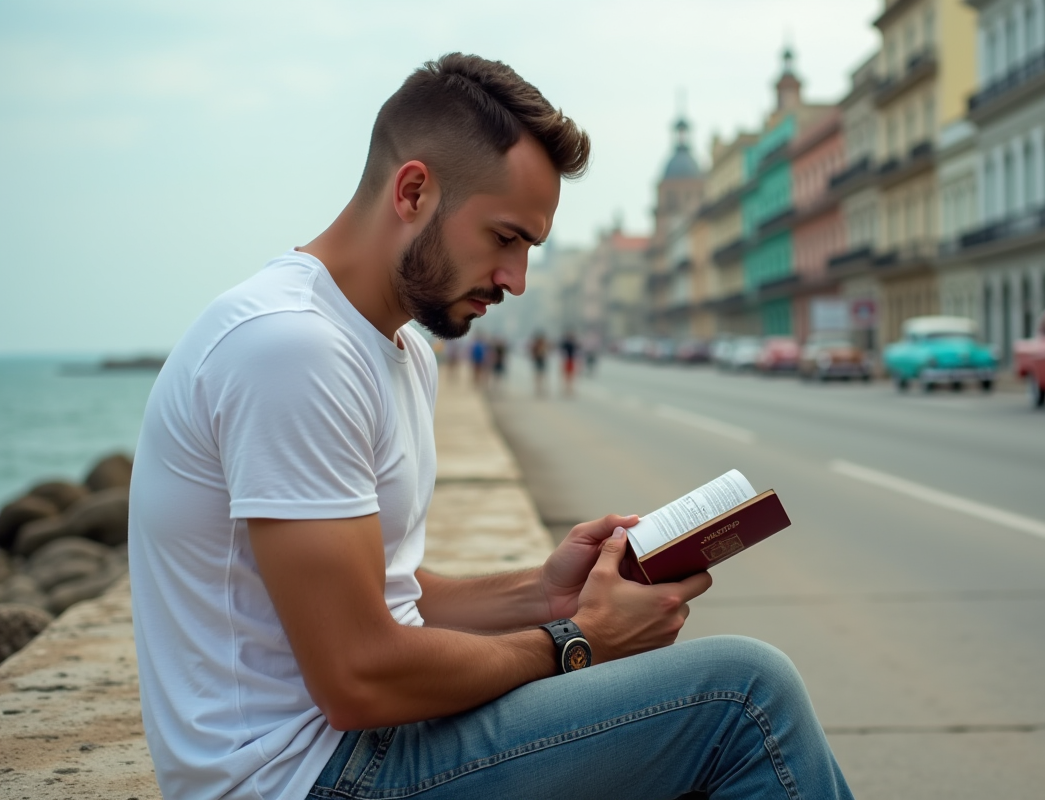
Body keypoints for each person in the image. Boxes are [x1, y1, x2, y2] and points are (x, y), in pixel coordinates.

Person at [128, 53, 853, 800]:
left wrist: (543, 595)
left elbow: (390, 594)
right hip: (303, 775)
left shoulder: (401, 348)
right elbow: (356, 678)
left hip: (368, 748)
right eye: (505, 238)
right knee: (743, 697)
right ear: (413, 190)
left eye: (530, 249)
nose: (517, 280)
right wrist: (579, 643)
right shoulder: (290, 348)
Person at [529, 330, 549, 396]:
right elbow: (532, 354)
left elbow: (547, 353)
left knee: (542, 375)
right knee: (537, 375)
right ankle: (538, 388)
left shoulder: (544, 345)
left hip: (542, 361)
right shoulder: (535, 345)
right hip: (537, 361)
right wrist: (537, 354)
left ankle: (542, 387)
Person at [560, 329, 578, 397]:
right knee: (566, 375)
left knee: (571, 375)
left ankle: (569, 388)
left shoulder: (574, 343)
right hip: (567, 360)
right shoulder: (565, 343)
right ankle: (566, 388)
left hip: (571, 360)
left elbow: (577, 352)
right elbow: (562, 352)